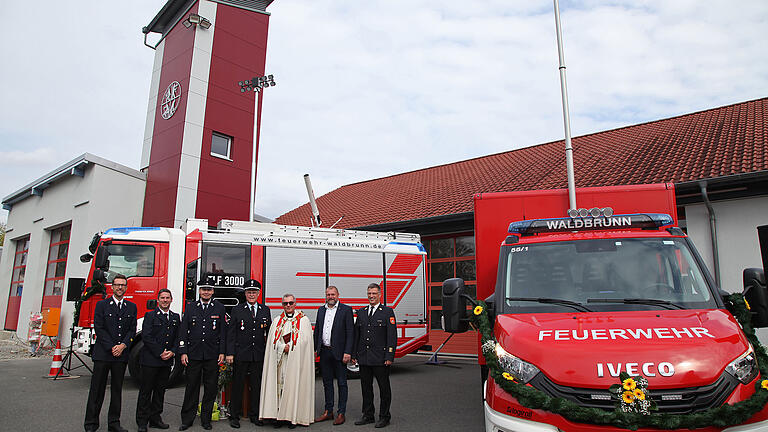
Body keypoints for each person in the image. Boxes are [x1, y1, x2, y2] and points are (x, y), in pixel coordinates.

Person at [84, 274, 137, 432]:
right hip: (103, 354)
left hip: (120, 356)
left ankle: (114, 423)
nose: (120, 287)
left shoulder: (131, 307)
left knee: (116, 391)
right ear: (112, 287)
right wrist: (112, 347)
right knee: (97, 390)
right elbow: (99, 328)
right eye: (117, 285)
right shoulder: (102, 305)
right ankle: (91, 424)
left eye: (123, 285)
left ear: (126, 288)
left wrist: (123, 346)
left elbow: (131, 330)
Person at [178, 278, 227, 431]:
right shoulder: (191, 307)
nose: (206, 292)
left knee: (210, 387)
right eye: (204, 289)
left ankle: (206, 419)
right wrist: (183, 351)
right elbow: (183, 331)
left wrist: (222, 352)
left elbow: (223, 333)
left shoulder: (219, 308)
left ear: (213, 291)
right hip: (194, 354)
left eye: (209, 289)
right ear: (199, 291)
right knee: (191, 387)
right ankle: (187, 419)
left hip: (212, 354)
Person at [260, 294, 314, 428]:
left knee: (294, 386)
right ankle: (278, 417)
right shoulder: (277, 320)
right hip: (280, 362)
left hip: (296, 362)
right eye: (285, 303)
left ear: (295, 304)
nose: (288, 306)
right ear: (282, 305)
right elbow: (271, 342)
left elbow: (306, 341)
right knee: (279, 387)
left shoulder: (304, 320)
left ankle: (292, 417)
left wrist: (292, 347)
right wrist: (282, 347)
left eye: (290, 303)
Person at [226, 279, 272, 428]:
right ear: (245, 294)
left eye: (254, 292)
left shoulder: (265, 310)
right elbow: (231, 333)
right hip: (241, 354)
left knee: (256, 385)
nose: (251, 294)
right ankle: (234, 415)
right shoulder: (237, 310)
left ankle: (255, 414)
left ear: (258, 293)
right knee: (238, 385)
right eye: (249, 292)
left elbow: (269, 333)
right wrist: (230, 353)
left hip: (258, 354)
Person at [352, 283, 397, 429]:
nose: (371, 296)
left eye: (374, 293)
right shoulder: (362, 312)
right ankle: (368, 415)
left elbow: (391, 336)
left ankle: (384, 416)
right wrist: (354, 354)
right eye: (369, 293)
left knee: (384, 389)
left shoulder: (387, 312)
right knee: (366, 388)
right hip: (364, 357)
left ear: (380, 294)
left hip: (380, 358)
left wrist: (389, 356)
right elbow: (357, 335)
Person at [135, 288, 180, 432]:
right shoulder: (150, 316)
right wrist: (160, 352)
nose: (165, 300)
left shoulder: (175, 317)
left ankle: (155, 419)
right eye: (162, 298)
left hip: (166, 361)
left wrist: (172, 351)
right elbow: (147, 337)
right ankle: (142, 422)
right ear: (158, 300)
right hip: (151, 360)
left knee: (160, 391)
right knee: (146, 391)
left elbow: (177, 338)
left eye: (167, 298)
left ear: (171, 300)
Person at [313, 286, 354, 425]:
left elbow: (350, 333)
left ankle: (341, 413)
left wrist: (348, 352)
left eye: (333, 294)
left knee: (342, 383)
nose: (330, 296)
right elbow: (317, 330)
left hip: (340, 353)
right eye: (328, 294)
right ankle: (328, 411)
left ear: (338, 295)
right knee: (327, 383)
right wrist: (315, 349)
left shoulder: (346, 310)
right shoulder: (321, 310)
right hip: (324, 352)